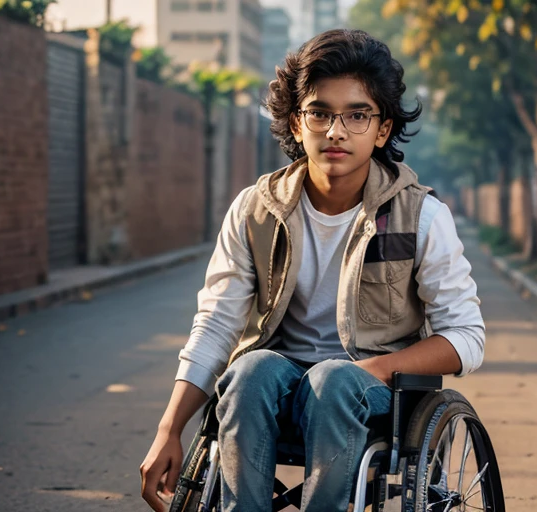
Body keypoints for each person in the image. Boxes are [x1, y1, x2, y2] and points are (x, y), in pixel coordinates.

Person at [139, 29, 485, 512]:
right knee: (249, 370)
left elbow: (466, 336)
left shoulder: (422, 217)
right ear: (297, 124)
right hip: (277, 385)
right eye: (320, 112)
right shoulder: (254, 210)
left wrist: (376, 369)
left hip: (374, 389)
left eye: (357, 115)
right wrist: (169, 429)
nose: (335, 131)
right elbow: (216, 324)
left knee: (335, 380)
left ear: (383, 129)